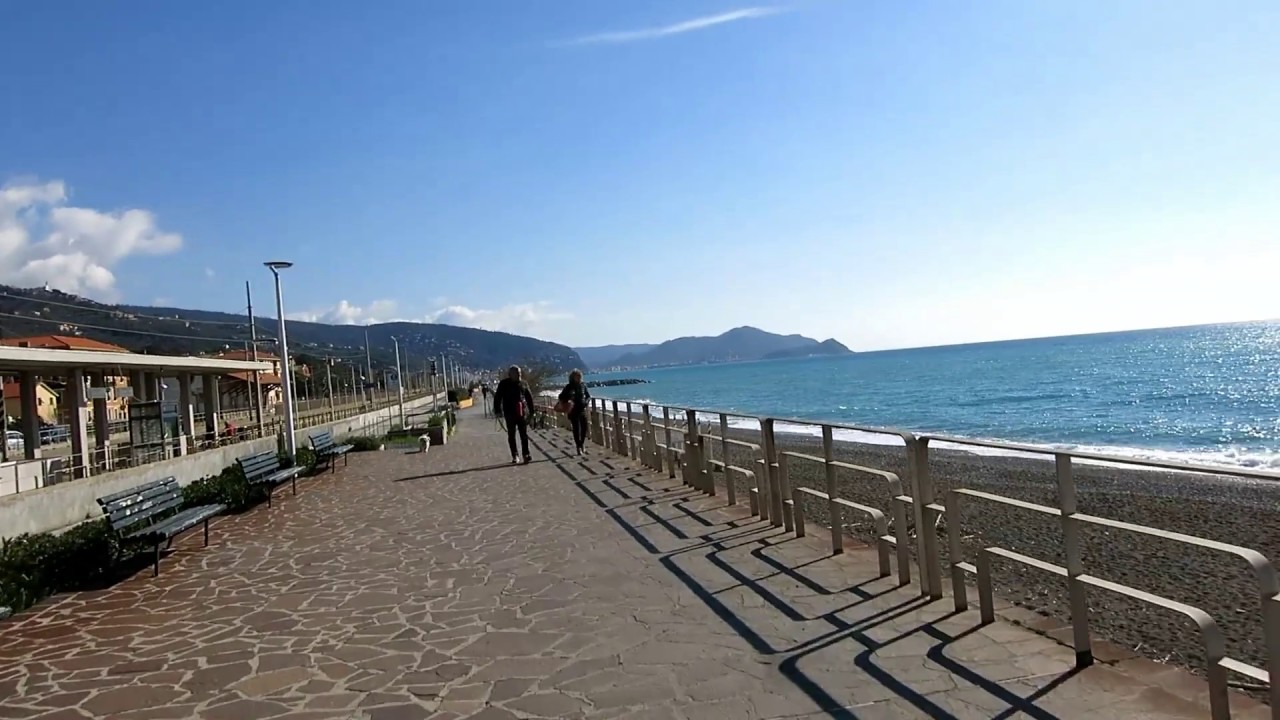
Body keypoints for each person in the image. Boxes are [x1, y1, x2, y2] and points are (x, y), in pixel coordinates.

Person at [493, 366, 535, 464]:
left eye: (520, 373)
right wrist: (498, 410)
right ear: (510, 374)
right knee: (511, 435)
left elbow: (529, 398)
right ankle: (515, 455)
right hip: (509, 413)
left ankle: (526, 454)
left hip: (521, 413)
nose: (519, 375)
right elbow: (497, 398)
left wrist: (532, 411)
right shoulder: (504, 384)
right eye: (517, 373)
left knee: (524, 435)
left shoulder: (524, 384)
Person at [558, 369, 591, 455]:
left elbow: (588, 396)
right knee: (576, 429)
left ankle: (582, 444)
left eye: (580, 376)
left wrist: (586, 402)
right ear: (573, 377)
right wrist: (568, 402)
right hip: (573, 410)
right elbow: (561, 396)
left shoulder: (583, 385)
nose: (579, 378)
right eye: (577, 376)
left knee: (584, 428)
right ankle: (578, 447)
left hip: (582, 409)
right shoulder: (569, 387)